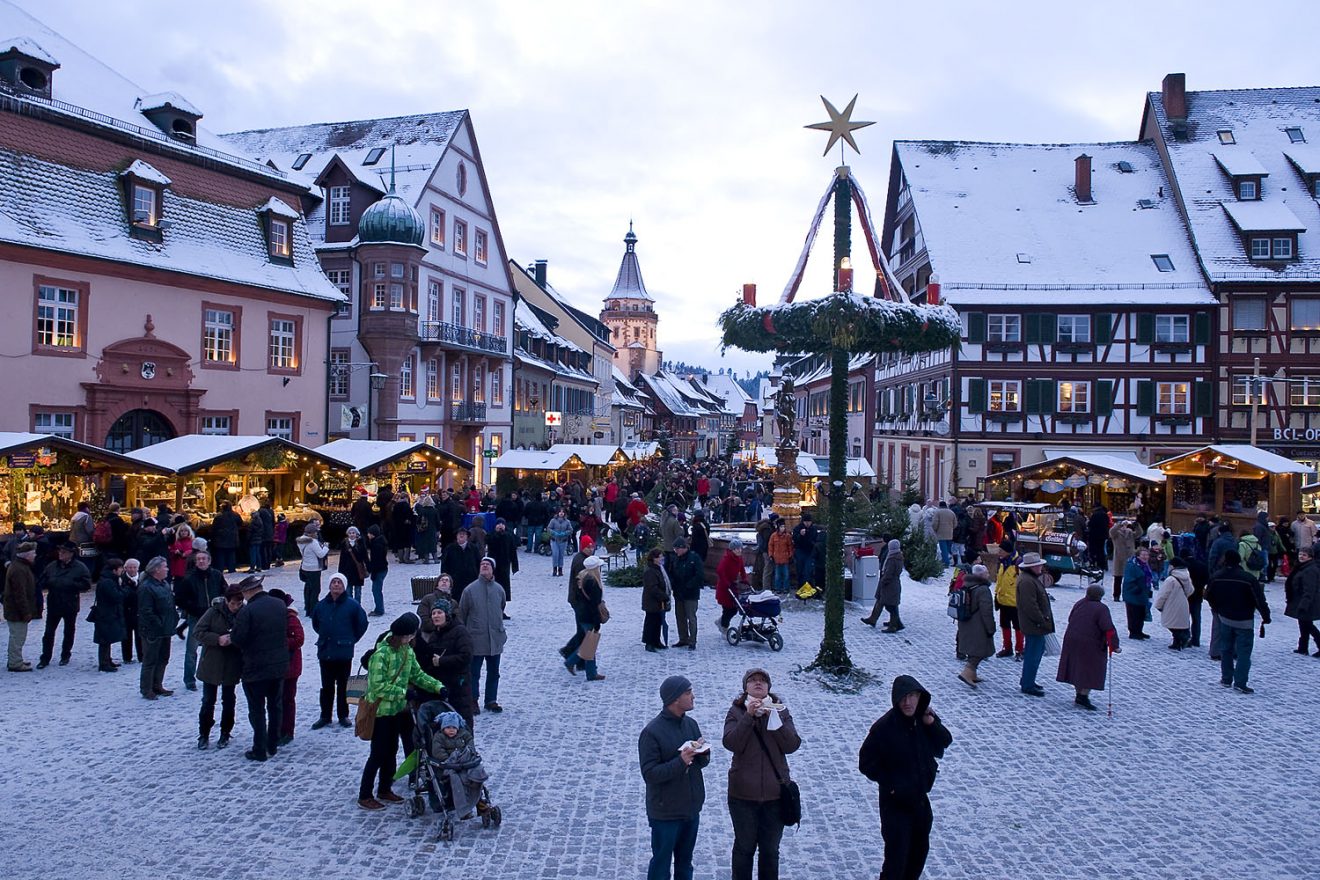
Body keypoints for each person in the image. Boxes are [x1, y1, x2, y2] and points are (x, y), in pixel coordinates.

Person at [858, 675, 953, 880]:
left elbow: (945, 741)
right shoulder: (884, 727)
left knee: (917, 858)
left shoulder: (923, 721)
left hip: (920, 802)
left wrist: (932, 723)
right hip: (895, 805)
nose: (907, 702)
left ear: (920, 697)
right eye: (903, 697)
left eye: (912, 696)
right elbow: (865, 763)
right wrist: (892, 785)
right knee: (895, 864)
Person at [357, 612, 445, 810]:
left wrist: (437, 687)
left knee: (392, 751)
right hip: (380, 712)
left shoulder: (407, 650)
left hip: (398, 710)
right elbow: (379, 686)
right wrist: (404, 693)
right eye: (409, 635)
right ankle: (365, 794)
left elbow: (417, 674)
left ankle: (384, 788)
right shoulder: (380, 655)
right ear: (400, 634)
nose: (411, 638)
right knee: (378, 753)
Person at [722, 668, 800, 880]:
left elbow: (792, 744)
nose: (758, 683)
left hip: (775, 795)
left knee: (770, 851)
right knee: (744, 849)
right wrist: (748, 717)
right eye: (753, 680)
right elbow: (731, 742)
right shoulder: (736, 711)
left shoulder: (780, 711)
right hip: (742, 796)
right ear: (745, 687)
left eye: (763, 681)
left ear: (768, 687)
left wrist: (773, 718)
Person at [639, 675, 710, 880]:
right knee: (661, 865)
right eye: (688, 693)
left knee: (685, 864)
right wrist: (681, 761)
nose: (693, 697)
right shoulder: (651, 733)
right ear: (674, 699)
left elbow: (701, 764)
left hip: (690, 809)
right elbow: (650, 774)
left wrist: (703, 754)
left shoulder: (691, 724)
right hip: (665, 813)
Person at [230, 575, 290, 761]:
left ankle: (259, 748)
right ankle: (273, 743)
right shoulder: (279, 604)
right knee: (275, 706)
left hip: (255, 667)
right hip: (279, 665)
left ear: (248, 591)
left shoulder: (247, 612)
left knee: (257, 709)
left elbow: (238, 639)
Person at [1205, 550, 1271, 693]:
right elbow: (1259, 599)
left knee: (1226, 649)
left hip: (1224, 618)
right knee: (1244, 653)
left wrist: (1217, 608)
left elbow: (1208, 595)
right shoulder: (1247, 579)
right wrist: (1266, 616)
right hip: (1244, 620)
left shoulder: (1216, 577)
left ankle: (1226, 678)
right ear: (1239, 561)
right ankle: (1240, 682)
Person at [310, 573, 369, 730]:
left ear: (344, 586)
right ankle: (325, 715)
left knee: (343, 685)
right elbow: (316, 624)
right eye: (334, 582)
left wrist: (351, 639)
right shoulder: (321, 605)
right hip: (325, 651)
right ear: (329, 586)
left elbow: (362, 624)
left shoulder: (352, 605)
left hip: (343, 652)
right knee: (326, 686)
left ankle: (343, 715)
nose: (336, 585)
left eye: (339, 583)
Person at [195, 580, 248, 749]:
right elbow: (198, 631)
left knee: (229, 700)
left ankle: (225, 732)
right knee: (208, 700)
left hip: (232, 664)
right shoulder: (213, 612)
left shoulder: (244, 613)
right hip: (212, 663)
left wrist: (236, 639)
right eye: (233, 603)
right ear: (226, 601)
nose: (235, 607)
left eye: (239, 603)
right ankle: (204, 734)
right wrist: (217, 639)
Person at [1055, 585, 1121, 710]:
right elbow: (1108, 629)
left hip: (1072, 640)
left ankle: (1079, 693)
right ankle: (1083, 696)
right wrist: (1114, 645)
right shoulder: (1101, 609)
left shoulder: (1080, 603)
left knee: (1077, 667)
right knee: (1090, 669)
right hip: (1090, 643)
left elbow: (1070, 618)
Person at [414, 598, 475, 730]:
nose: (436, 616)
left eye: (439, 613)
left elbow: (466, 656)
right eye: (433, 613)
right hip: (443, 687)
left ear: (447, 615)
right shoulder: (435, 635)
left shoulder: (460, 631)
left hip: (459, 687)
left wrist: (441, 661)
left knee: (462, 724)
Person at [458, 557, 507, 713]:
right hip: (476, 639)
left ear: (493, 569)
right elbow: (462, 614)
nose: (485, 566)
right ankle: (472, 700)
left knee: (494, 673)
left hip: (495, 639)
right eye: (482, 564)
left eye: (488, 565)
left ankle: (491, 700)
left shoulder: (499, 589)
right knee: (474, 673)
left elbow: (501, 607)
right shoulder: (469, 590)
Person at [174, 549, 225, 691]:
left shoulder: (217, 575)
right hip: (196, 618)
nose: (201, 561)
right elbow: (180, 599)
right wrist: (195, 609)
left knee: (209, 650)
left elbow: (224, 592)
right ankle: (189, 679)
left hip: (214, 617)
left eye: (204, 559)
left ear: (209, 561)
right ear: (195, 562)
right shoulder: (189, 579)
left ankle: (206, 675)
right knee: (192, 650)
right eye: (199, 559)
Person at [37, 542, 92, 668]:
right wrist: (48, 583)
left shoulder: (80, 567)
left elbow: (86, 584)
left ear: (71, 554)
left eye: (64, 552)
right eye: (60, 552)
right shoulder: (52, 566)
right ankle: (45, 657)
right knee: (48, 633)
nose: (60, 554)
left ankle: (65, 655)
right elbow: (42, 580)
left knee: (69, 631)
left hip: (70, 603)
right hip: (54, 603)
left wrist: (71, 584)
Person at [137, 556, 178, 700]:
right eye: (165, 567)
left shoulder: (164, 584)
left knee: (163, 658)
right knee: (150, 660)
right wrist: (159, 624)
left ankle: (157, 685)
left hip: (166, 628)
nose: (167, 569)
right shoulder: (146, 587)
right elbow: (146, 611)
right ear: (156, 569)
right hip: (153, 631)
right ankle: (146, 688)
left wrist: (173, 619)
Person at [269, 589, 305, 747]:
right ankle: (275, 729)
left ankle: (287, 731)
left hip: (290, 667)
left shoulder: (291, 618)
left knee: (287, 699)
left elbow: (299, 639)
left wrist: (278, 642)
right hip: (275, 666)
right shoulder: (271, 617)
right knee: (275, 700)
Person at [1015, 553, 1054, 697]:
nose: (1041, 567)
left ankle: (1028, 680)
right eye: (1038, 565)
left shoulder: (1029, 579)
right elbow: (1030, 605)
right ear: (1031, 567)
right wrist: (1041, 621)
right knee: (1033, 654)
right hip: (1034, 625)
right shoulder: (1027, 582)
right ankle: (1028, 683)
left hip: (1034, 624)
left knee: (1034, 653)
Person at [955, 564, 996, 687]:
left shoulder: (967, 585)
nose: (988, 574)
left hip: (966, 624)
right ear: (982, 575)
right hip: (978, 626)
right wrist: (991, 628)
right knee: (980, 651)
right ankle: (967, 672)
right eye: (987, 573)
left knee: (974, 649)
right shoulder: (983, 589)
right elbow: (986, 611)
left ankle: (972, 673)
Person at [4, 541, 38, 671]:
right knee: (18, 637)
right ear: (27, 555)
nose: (35, 555)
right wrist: (26, 612)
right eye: (33, 553)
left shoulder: (18, 566)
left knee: (16, 636)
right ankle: (15, 663)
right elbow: (20, 594)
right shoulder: (20, 569)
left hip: (14, 609)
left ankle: (15, 660)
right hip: (16, 611)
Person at [666, 538, 705, 651]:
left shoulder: (694, 558)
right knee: (680, 617)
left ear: (683, 548)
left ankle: (692, 640)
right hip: (678, 593)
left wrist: (689, 586)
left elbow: (699, 575)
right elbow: (671, 573)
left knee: (691, 617)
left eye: (677, 549)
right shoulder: (675, 559)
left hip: (691, 593)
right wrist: (673, 584)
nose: (675, 551)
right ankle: (683, 638)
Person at [92, 558, 129, 673]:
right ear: (114, 570)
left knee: (107, 638)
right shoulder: (108, 582)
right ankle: (104, 663)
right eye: (120, 568)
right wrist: (125, 589)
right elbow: (116, 597)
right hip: (106, 613)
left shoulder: (108, 580)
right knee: (105, 639)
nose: (122, 570)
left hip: (107, 613)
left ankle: (107, 660)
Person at [1284, 543, 1320, 656]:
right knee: (1304, 624)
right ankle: (1303, 647)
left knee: (1308, 625)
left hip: (1307, 602)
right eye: (1300, 554)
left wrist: (1304, 604)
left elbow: (1309, 589)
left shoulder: (1310, 570)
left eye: (1304, 555)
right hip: (1300, 600)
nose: (1301, 557)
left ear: (1310, 557)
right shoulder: (1302, 567)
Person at [863, 539, 906, 631]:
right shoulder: (896, 556)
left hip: (889, 585)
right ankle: (874, 619)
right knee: (881, 601)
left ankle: (894, 624)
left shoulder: (892, 558)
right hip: (890, 584)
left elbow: (889, 573)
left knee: (889, 605)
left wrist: (883, 581)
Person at [1155, 558, 1194, 650]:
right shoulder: (1187, 576)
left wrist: (1158, 605)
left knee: (1171, 624)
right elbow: (1191, 590)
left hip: (1171, 604)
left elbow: (1163, 594)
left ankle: (1181, 639)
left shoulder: (1171, 579)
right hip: (1183, 603)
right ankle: (1177, 641)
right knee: (1178, 624)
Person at [1120, 546, 1155, 640]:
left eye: (1147, 555)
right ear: (1138, 555)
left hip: (1142, 594)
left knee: (1141, 613)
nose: (1145, 557)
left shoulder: (1145, 565)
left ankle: (1139, 631)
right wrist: (1137, 589)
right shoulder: (1132, 565)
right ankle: (1133, 632)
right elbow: (1129, 580)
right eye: (1143, 555)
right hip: (1133, 594)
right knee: (1133, 613)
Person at [642, 547, 672, 652]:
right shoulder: (651, 571)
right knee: (651, 621)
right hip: (652, 601)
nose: (662, 558)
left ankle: (656, 641)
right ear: (654, 558)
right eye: (660, 556)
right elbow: (652, 588)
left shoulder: (659, 568)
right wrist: (663, 596)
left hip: (658, 601)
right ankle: (649, 642)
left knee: (658, 621)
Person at [296, 522, 329, 618]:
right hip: (314, 568)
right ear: (311, 533)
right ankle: (313, 610)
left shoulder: (301, 541)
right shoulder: (313, 542)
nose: (317, 534)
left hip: (305, 567)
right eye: (315, 532)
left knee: (308, 588)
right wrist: (326, 547)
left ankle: (307, 607)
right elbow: (321, 554)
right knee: (315, 589)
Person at [715, 539, 749, 631]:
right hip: (724, 588)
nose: (739, 550)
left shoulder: (739, 558)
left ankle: (721, 621)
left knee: (734, 608)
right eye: (737, 549)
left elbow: (742, 569)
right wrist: (727, 583)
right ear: (732, 550)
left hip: (732, 586)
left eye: (740, 548)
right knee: (728, 609)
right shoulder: (726, 559)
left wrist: (744, 579)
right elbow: (720, 571)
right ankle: (724, 628)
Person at [487, 519, 520, 610]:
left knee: (504, 589)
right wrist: (498, 534)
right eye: (498, 524)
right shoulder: (491, 535)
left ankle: (502, 609)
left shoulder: (509, 536)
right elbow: (488, 540)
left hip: (505, 566)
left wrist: (514, 566)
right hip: (493, 566)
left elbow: (514, 549)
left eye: (502, 524)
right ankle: (493, 608)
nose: (500, 525)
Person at [441, 529, 480, 605]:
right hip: (455, 581)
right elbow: (444, 565)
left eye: (464, 534)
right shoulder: (450, 548)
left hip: (471, 581)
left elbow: (478, 563)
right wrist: (445, 578)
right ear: (456, 536)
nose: (461, 535)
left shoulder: (473, 548)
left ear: (467, 536)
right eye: (459, 534)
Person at [338, 526, 369, 605]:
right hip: (347, 570)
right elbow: (342, 558)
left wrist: (368, 567)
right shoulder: (344, 543)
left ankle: (357, 606)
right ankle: (350, 606)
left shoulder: (361, 543)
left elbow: (365, 556)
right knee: (348, 590)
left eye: (353, 533)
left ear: (356, 534)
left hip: (358, 570)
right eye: (350, 533)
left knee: (358, 591)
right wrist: (340, 571)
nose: (352, 535)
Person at [1108, 519, 1137, 601]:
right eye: (1123, 525)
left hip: (1129, 558)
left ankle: (1127, 595)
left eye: (1125, 525)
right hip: (1119, 558)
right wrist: (1119, 524)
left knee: (1129, 579)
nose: (1124, 527)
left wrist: (1136, 525)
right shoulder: (1116, 533)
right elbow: (1111, 531)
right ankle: (1116, 595)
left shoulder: (1130, 532)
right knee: (1118, 578)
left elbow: (1139, 533)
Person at [210, 503, 242, 573]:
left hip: (220, 538)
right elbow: (241, 523)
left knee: (221, 555)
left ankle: (220, 569)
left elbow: (214, 527)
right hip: (232, 538)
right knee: (231, 554)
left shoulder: (218, 516)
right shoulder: (235, 515)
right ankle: (232, 569)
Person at [366, 523, 389, 617]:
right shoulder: (379, 542)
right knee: (377, 589)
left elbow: (376, 561)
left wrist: (373, 572)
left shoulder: (376, 545)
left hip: (379, 570)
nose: (368, 535)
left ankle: (379, 609)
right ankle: (379, 608)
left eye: (369, 533)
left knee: (376, 590)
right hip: (382, 568)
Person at [791, 515, 818, 588]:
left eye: (809, 522)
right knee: (800, 569)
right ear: (803, 522)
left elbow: (815, 539)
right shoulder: (798, 528)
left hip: (809, 552)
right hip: (800, 551)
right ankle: (800, 586)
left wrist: (812, 544)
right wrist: (800, 535)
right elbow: (794, 540)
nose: (808, 523)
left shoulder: (813, 529)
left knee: (808, 570)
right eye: (806, 522)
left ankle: (808, 586)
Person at [413, 493, 441, 564]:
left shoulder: (422, 510)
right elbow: (438, 521)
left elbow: (418, 520)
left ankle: (426, 559)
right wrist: (438, 529)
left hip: (424, 530)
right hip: (432, 529)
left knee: (425, 545)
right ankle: (435, 559)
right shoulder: (435, 511)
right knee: (433, 544)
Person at [767, 520, 793, 592]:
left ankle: (786, 588)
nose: (783, 528)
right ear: (778, 527)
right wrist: (771, 555)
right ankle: (778, 588)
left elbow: (790, 546)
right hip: (777, 558)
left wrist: (790, 555)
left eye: (784, 527)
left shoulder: (787, 536)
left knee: (786, 575)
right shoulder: (773, 536)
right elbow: (770, 546)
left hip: (785, 558)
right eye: (781, 527)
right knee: (777, 576)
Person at [932, 501, 957, 567]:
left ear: (939, 506)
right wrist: (951, 528)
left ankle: (946, 563)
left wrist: (935, 530)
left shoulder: (938, 512)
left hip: (941, 534)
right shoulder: (951, 512)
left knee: (943, 549)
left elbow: (935, 523)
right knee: (948, 549)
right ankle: (947, 560)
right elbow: (955, 523)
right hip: (949, 533)